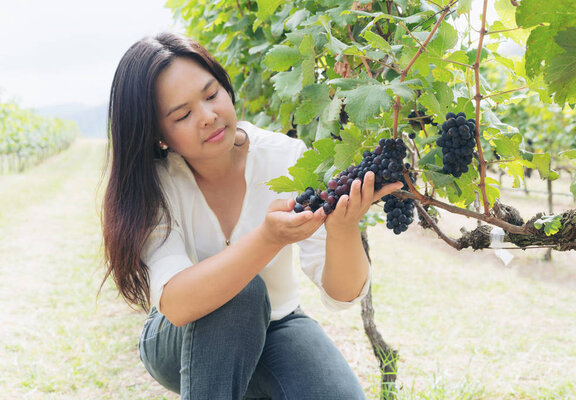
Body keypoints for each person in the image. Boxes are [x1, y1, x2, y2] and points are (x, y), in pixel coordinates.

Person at [101, 31, 403, 400]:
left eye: (212, 95)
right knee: (242, 291)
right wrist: (268, 239)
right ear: (158, 135)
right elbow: (178, 306)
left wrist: (343, 228)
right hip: (179, 335)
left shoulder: (284, 156)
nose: (208, 117)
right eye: (182, 115)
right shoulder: (153, 186)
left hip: (278, 325)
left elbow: (342, 295)